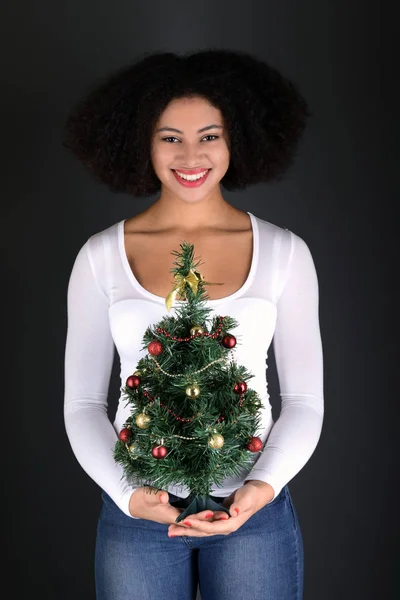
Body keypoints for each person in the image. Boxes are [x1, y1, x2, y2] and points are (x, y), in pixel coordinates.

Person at [62, 48, 324, 600]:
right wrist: (129, 494)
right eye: (169, 136)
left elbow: (304, 399)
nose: (190, 154)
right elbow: (82, 405)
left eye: (209, 135)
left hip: (254, 515)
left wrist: (260, 488)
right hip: (137, 513)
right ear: (142, 142)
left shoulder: (284, 253)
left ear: (237, 140)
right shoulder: (99, 257)